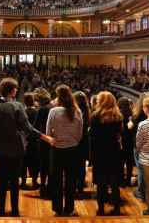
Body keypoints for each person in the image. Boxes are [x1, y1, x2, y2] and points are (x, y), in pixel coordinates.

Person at [0, 78, 52, 217]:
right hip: (16, 148)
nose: (16, 91)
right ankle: (15, 210)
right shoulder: (17, 106)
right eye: (15, 89)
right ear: (12, 91)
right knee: (14, 180)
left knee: (3, 180)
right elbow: (28, 128)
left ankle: (0, 210)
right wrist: (44, 136)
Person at [46, 84, 83, 217]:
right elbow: (80, 133)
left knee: (56, 180)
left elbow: (48, 132)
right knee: (71, 180)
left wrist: (57, 139)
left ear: (58, 97)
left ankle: (57, 208)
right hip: (73, 149)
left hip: (57, 149)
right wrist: (72, 142)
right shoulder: (77, 111)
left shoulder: (54, 111)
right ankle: (69, 208)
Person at [89, 91, 123, 216]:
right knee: (114, 183)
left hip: (99, 153)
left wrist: (91, 157)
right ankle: (117, 208)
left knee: (101, 183)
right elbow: (119, 135)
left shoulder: (95, 117)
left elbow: (92, 138)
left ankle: (101, 209)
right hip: (114, 151)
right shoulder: (118, 116)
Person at [33, 88, 53, 197]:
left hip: (44, 139)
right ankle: (50, 187)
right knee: (51, 165)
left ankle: (43, 188)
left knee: (43, 165)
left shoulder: (42, 110)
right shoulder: (53, 107)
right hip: (53, 139)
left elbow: (35, 126)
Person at [128, 92, 148, 200]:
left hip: (139, 145)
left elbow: (130, 127)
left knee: (141, 169)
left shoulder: (137, 115)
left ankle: (141, 192)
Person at [73, 91, 90, 195]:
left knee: (73, 164)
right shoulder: (88, 111)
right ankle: (80, 187)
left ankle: (74, 186)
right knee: (81, 165)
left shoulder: (74, 111)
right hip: (84, 140)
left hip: (74, 140)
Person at [21, 92, 39, 189]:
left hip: (24, 140)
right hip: (34, 140)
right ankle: (34, 182)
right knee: (34, 163)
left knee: (24, 163)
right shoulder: (36, 112)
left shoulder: (22, 111)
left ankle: (23, 182)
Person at [118, 96, 134, 187]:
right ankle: (128, 179)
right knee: (129, 162)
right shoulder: (132, 114)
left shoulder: (118, 114)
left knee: (121, 161)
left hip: (121, 140)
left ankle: (121, 180)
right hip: (130, 140)